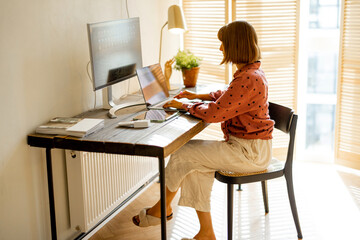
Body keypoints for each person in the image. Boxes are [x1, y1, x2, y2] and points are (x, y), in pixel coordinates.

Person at [132, 20, 274, 240]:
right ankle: (205, 234)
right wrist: (197, 96)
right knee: (194, 164)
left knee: (183, 152)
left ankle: (161, 209)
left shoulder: (249, 78)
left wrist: (185, 106)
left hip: (249, 153)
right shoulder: (250, 73)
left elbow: (214, 114)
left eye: (223, 44)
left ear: (235, 45)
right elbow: (229, 95)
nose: (220, 49)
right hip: (248, 148)